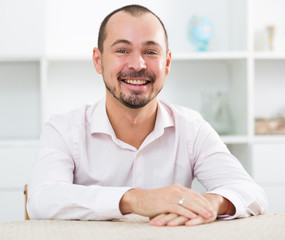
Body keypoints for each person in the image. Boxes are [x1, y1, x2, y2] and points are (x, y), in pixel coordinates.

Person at [27, 4, 267, 227]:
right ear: (98, 61)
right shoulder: (63, 129)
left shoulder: (191, 127)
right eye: (122, 50)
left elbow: (250, 191)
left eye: (151, 52)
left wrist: (213, 203)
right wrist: (135, 200)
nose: (138, 64)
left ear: (167, 63)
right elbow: (41, 199)